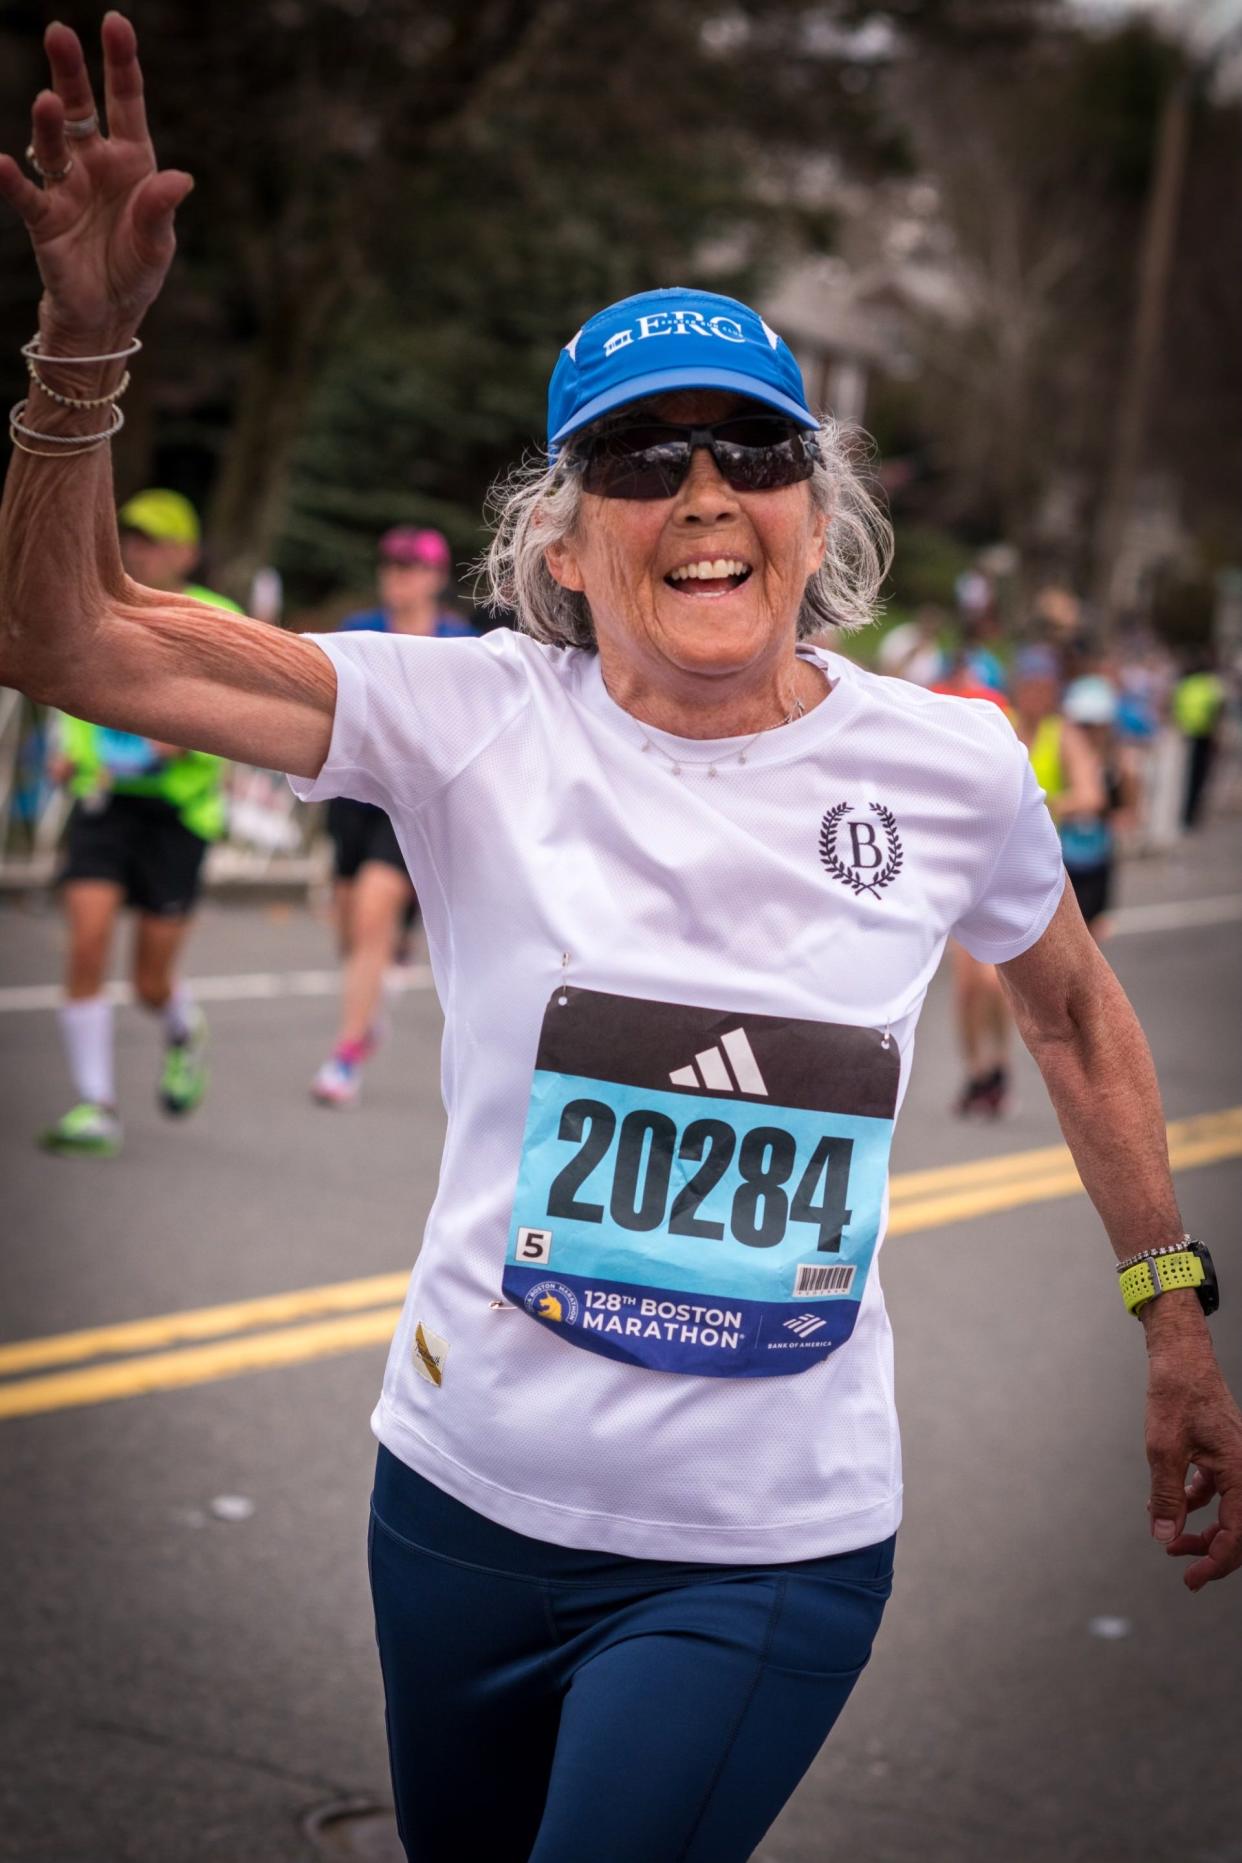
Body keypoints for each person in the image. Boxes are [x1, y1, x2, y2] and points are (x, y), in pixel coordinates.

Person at [2, 26, 1240, 1862]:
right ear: (567, 546)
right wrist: (83, 353)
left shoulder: (950, 759)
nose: (702, 488)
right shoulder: (474, 716)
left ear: (816, 514)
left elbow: (1065, 1006)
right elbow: (78, 648)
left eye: (751, 446)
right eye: (641, 457)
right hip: (454, 1501)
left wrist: (1171, 1312)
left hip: (763, 1541)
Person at [39, 486, 240, 1155]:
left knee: (149, 979)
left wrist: (193, 736)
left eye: (155, 539)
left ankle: (183, 1026)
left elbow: (242, 716)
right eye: (133, 537)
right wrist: (71, 754)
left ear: (187, 550)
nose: (140, 550)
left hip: (178, 814)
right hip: (106, 806)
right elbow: (76, 695)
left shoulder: (218, 618)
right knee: (86, 941)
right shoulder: (100, 613)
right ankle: (95, 1105)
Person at [312, 526, 475, 1106]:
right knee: (350, 926)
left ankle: (345, 1056)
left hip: (410, 799)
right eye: (390, 565)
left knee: (376, 906)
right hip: (353, 797)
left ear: (435, 576)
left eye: (411, 567)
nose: (398, 576)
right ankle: (375, 993)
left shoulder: (460, 644)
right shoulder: (360, 632)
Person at [930, 646, 1015, 1116]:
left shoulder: (996, 714)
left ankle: (999, 1065)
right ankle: (977, 1073)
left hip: (997, 867)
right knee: (967, 988)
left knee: (992, 982)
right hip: (956, 867)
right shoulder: (936, 708)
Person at [1172, 655, 1226, 831]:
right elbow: (1218, 709)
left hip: (1185, 735)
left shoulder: (1185, 685)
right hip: (1203, 735)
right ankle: (1191, 813)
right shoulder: (1210, 685)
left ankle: (1183, 814)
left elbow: (1175, 707)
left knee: (1183, 778)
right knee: (1198, 777)